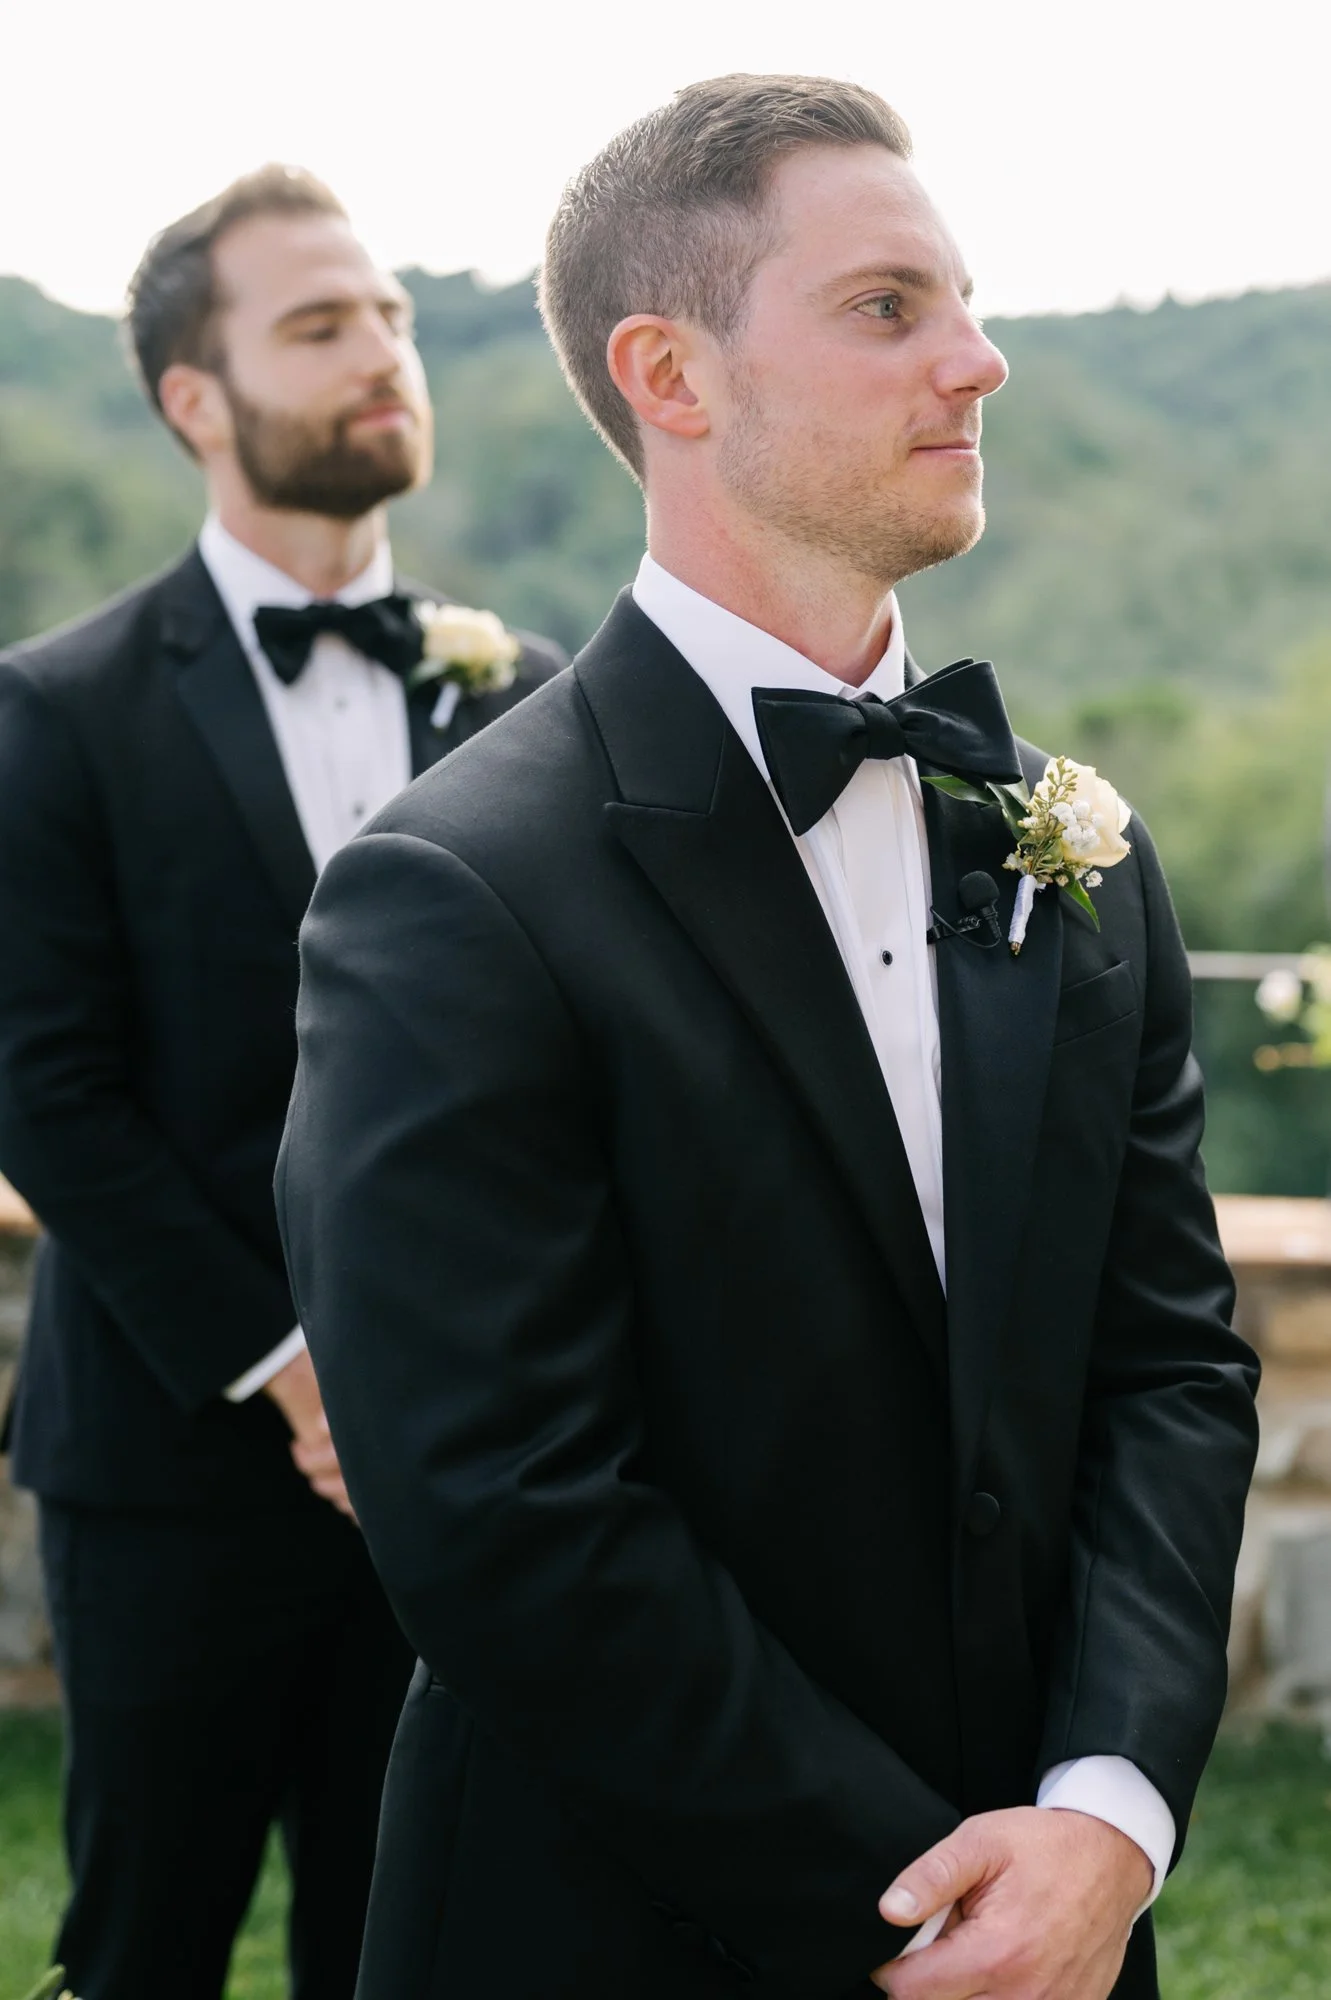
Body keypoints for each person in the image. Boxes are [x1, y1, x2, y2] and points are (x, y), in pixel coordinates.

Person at [275, 78, 1258, 2000]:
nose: (976, 360)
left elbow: (1165, 1367)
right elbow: (501, 1517)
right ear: (672, 372)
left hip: (1058, 1925)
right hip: (617, 1925)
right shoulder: (449, 895)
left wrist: (1105, 1819)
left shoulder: (1069, 845)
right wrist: (914, 1906)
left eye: (963, 302)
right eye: (886, 308)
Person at [0, 166, 563, 2000]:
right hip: (173, 1460)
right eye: (319, 326)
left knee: (414, 1944)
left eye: (390, 317)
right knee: (144, 1937)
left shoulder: (531, 701)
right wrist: (290, 1362)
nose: (381, 354)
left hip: (470, 1469)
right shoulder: (54, 712)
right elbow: (46, 1089)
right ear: (194, 397)